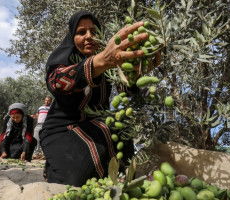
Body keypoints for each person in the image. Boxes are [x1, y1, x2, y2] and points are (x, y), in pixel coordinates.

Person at [40, 10, 149, 186]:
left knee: (121, 132)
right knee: (77, 178)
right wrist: (99, 62)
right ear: (72, 37)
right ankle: (54, 165)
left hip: (95, 127)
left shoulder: (112, 65)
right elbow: (56, 82)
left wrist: (136, 73)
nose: (89, 37)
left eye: (94, 31)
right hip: (62, 130)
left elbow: (129, 93)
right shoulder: (64, 56)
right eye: (81, 32)